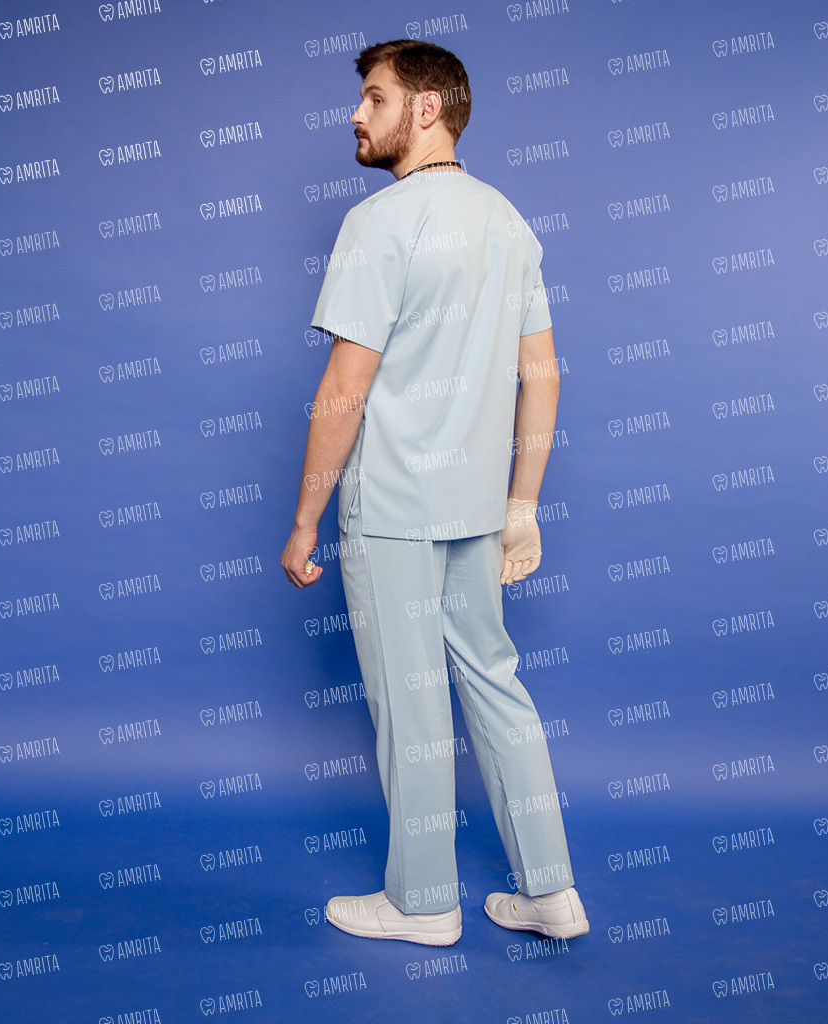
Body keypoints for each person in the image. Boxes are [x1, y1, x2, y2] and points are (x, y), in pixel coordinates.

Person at [280, 39, 588, 947]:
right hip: (476, 508)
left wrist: (304, 521)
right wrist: (522, 506)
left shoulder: (379, 223)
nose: (355, 114)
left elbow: (345, 387)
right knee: (495, 684)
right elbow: (543, 375)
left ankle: (423, 905)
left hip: (392, 509)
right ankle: (551, 892)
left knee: (411, 706)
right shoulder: (507, 221)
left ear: (425, 108)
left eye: (374, 98)